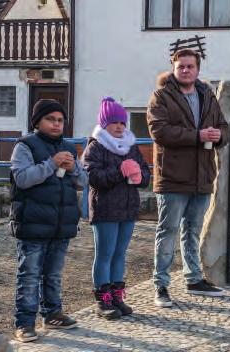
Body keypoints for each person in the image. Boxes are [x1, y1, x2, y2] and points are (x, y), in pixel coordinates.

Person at [147, 48, 229, 307]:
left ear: (197, 69)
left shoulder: (207, 95)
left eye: (189, 66)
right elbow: (159, 131)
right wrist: (198, 136)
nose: (185, 70)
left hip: (202, 176)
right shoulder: (161, 96)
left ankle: (194, 279)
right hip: (172, 177)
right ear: (173, 68)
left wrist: (219, 136)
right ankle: (161, 285)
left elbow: (223, 126)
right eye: (180, 66)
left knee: (192, 231)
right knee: (167, 231)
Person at [10, 99, 88, 342]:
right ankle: (24, 323)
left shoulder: (68, 146)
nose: (56, 124)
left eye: (60, 120)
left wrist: (74, 167)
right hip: (33, 222)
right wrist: (51, 163)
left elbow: (83, 182)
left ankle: (53, 313)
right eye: (50, 119)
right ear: (37, 121)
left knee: (53, 274)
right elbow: (22, 178)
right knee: (29, 275)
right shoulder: (25, 146)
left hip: (61, 223)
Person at [83, 97, 150, 319]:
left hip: (128, 209)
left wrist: (139, 176)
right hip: (105, 210)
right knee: (105, 254)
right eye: (114, 122)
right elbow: (94, 178)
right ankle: (103, 302)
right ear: (104, 124)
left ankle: (117, 297)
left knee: (120, 254)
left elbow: (146, 175)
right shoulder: (96, 147)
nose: (119, 126)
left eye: (122, 122)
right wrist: (119, 171)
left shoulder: (131, 146)